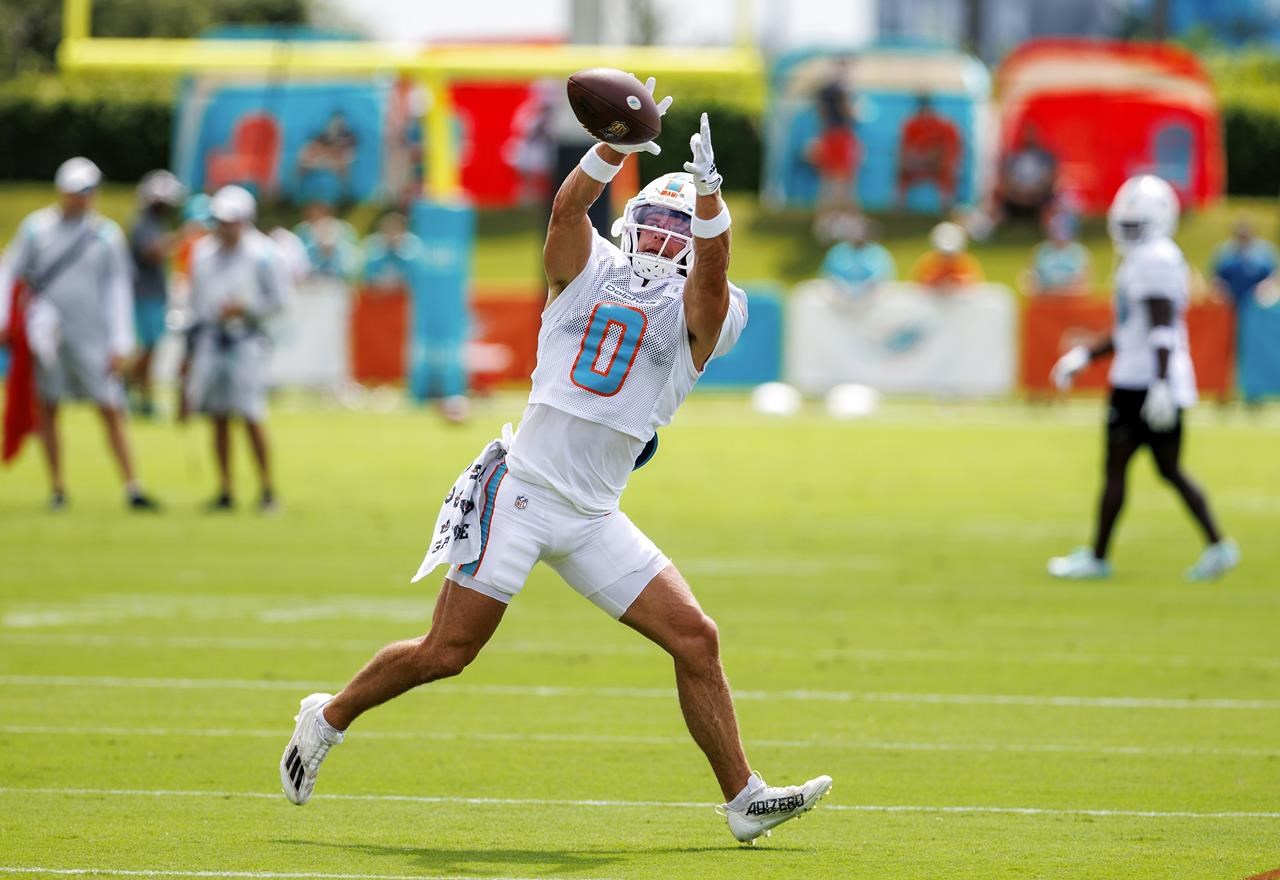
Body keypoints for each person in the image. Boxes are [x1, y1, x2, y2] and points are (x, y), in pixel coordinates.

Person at [278, 82, 832, 846]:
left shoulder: (710, 308)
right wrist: (617, 145)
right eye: (659, 218)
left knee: (695, 638)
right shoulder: (588, 270)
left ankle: (742, 797)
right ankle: (328, 716)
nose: (668, 234)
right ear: (635, 222)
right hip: (524, 490)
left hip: (593, 513)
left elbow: (708, 281)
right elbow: (568, 211)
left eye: (682, 225)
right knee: (447, 653)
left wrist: (711, 203)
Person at [1048, 175, 1239, 581]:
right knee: (1169, 470)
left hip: (1143, 383)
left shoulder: (1154, 259)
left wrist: (1159, 383)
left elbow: (1161, 327)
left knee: (1118, 469)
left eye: (1138, 224)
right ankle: (1219, 546)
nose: (1129, 231)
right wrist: (1085, 355)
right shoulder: (1148, 258)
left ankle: (1098, 557)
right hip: (1153, 379)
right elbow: (1133, 329)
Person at [0, 157, 160, 511]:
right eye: (77, 191)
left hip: (94, 337)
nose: (83, 198)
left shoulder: (106, 235)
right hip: (48, 337)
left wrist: (120, 340)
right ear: (62, 192)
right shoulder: (36, 229)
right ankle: (57, 487)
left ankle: (132, 486)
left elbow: (118, 290)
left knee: (110, 407)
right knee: (48, 407)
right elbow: (10, 271)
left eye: (89, 191)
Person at [186, 185, 288, 513]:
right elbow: (196, 300)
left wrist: (246, 309)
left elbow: (280, 301)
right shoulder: (202, 253)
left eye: (231, 220)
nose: (224, 227)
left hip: (247, 340)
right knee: (217, 415)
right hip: (212, 339)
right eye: (220, 220)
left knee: (250, 414)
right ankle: (225, 488)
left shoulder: (264, 254)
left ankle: (267, 488)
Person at [127, 169, 187, 417]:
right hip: (143, 294)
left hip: (154, 295)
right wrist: (180, 238)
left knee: (153, 349)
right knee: (149, 347)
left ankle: (142, 395)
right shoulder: (142, 223)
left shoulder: (156, 223)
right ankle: (127, 383)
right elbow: (151, 252)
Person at [806, 62, 860, 237]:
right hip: (841, 137)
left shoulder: (823, 90)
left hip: (828, 136)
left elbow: (821, 113)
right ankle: (840, 224)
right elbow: (848, 111)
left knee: (827, 182)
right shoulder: (842, 88)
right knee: (843, 183)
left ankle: (823, 223)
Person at [895, 94, 962, 213]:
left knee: (947, 172)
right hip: (918, 162)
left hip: (938, 163)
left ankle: (947, 204)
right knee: (903, 172)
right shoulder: (912, 124)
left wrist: (939, 159)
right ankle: (899, 205)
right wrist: (911, 161)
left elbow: (951, 148)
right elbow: (905, 148)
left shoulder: (943, 124)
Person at [819, 213, 896, 296]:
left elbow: (883, 276)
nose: (857, 233)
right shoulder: (837, 251)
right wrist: (841, 286)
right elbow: (827, 275)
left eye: (861, 230)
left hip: (871, 299)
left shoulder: (878, 253)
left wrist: (866, 288)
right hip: (840, 299)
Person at [1027, 213, 1091, 296]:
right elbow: (1030, 280)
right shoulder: (1040, 251)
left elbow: (1084, 283)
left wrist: (1063, 291)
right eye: (1056, 229)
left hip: (1072, 298)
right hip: (1045, 299)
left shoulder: (1079, 253)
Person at [911, 221, 983, 291]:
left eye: (951, 254)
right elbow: (916, 286)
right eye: (944, 254)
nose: (947, 258)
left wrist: (959, 281)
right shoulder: (928, 261)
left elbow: (977, 286)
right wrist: (933, 280)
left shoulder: (965, 262)